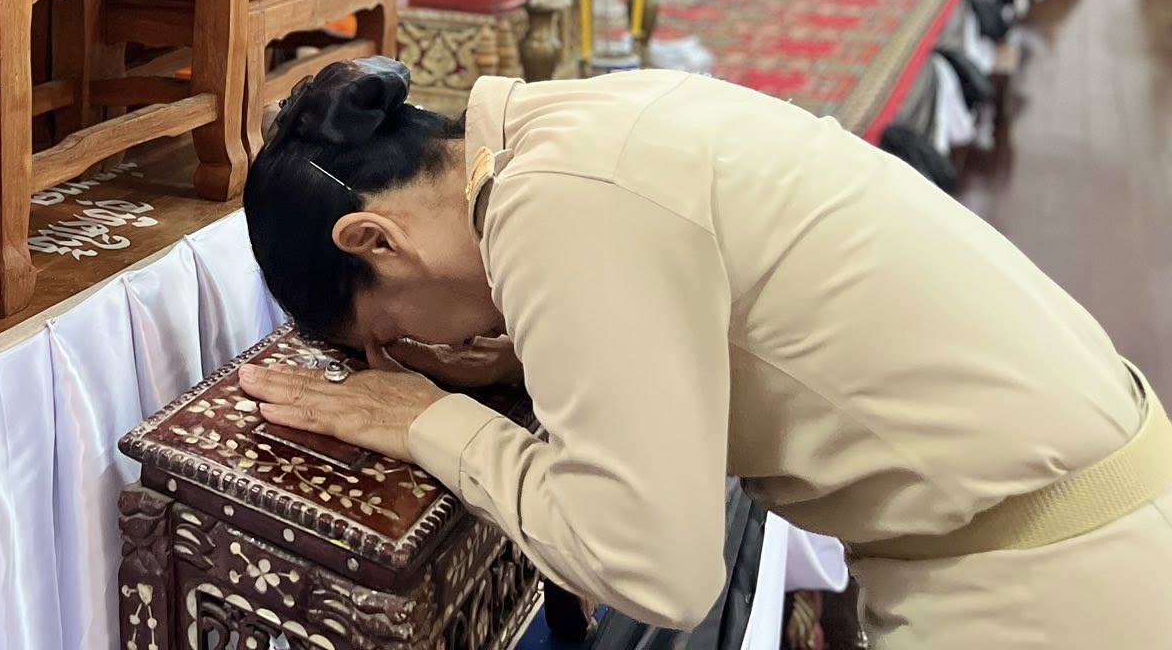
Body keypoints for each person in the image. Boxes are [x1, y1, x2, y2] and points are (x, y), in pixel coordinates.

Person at [238, 59, 1172, 647]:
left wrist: (429, 419)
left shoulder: (553, 203)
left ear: (374, 241)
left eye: (395, 338)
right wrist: (527, 362)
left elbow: (658, 571)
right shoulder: (569, 122)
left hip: (1045, 586)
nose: (430, 353)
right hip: (1077, 507)